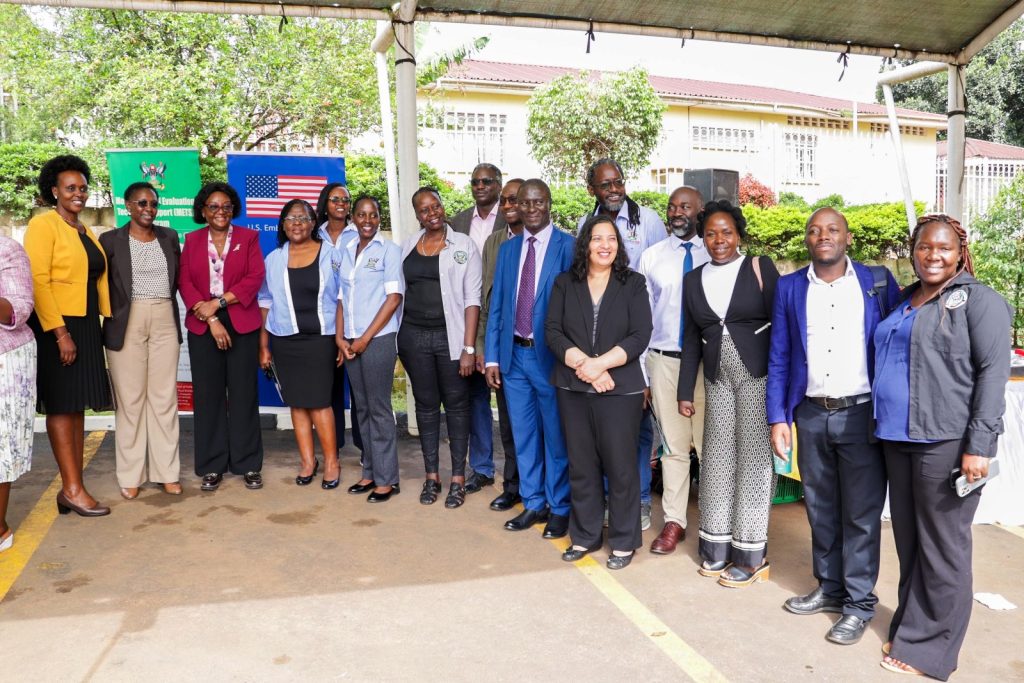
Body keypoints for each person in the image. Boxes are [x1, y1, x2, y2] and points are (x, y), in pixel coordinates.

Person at [873, 215, 1011, 680]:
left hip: (946, 441)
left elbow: (992, 377)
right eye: (924, 247)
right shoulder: (906, 299)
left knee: (944, 548)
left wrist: (979, 446)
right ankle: (913, 627)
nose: (933, 255)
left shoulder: (980, 301)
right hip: (897, 438)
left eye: (943, 248)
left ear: (960, 253)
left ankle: (932, 650)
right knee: (912, 544)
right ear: (913, 251)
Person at [767, 207, 901, 645]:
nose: (822, 236)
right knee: (820, 507)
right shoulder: (789, 287)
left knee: (860, 515)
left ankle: (860, 604)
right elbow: (780, 355)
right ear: (806, 240)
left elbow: (900, 347)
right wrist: (778, 416)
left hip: (861, 414)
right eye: (814, 230)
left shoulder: (875, 283)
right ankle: (830, 588)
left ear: (847, 237)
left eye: (832, 229)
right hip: (810, 412)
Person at [678, 199, 780, 587]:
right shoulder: (694, 279)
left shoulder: (758, 267)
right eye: (710, 233)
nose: (718, 239)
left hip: (759, 376)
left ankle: (752, 555)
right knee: (717, 461)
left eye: (726, 232)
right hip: (716, 379)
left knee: (753, 462)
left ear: (739, 234)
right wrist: (685, 390)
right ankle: (716, 547)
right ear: (702, 238)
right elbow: (690, 338)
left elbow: (782, 325)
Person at [546, 215, 653, 569]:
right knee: (582, 464)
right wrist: (586, 368)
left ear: (619, 245)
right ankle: (586, 535)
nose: (604, 245)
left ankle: (624, 541)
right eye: (597, 239)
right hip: (573, 387)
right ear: (585, 245)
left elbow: (640, 335)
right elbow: (554, 331)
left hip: (619, 389)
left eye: (611, 239)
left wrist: (601, 365)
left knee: (621, 466)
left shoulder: (633, 284)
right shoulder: (565, 283)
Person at [578, 158, 667, 530]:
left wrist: (644, 361)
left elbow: (659, 283)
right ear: (592, 190)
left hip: (637, 344)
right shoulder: (586, 224)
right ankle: (606, 501)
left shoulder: (647, 221)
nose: (614, 189)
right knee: (600, 433)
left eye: (618, 182)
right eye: (605, 185)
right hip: (596, 348)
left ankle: (641, 501)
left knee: (637, 432)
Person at [485, 179, 575, 539]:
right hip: (514, 359)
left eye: (539, 202)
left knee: (556, 438)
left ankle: (559, 507)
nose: (532, 208)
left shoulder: (568, 247)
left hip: (550, 359)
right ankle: (533, 502)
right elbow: (498, 308)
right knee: (523, 436)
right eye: (526, 203)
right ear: (517, 207)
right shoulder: (508, 251)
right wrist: (492, 357)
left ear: (549, 204)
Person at [24, 154, 113, 517]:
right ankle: (74, 489)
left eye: (83, 187)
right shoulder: (44, 226)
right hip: (59, 325)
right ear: (53, 191)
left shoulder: (84, 229)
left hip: (85, 322)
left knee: (76, 405)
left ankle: (70, 489)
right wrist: (60, 333)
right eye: (70, 188)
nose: (79, 194)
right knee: (62, 404)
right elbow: (38, 282)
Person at [179, 182, 266, 492]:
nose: (220, 211)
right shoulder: (190, 241)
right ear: (203, 210)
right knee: (208, 396)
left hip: (241, 321)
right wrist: (212, 316)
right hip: (204, 324)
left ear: (234, 210)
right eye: (213, 206)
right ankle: (212, 465)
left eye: (226, 206)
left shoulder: (248, 238)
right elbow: (185, 281)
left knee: (243, 394)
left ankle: (248, 464)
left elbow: (255, 278)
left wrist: (220, 302)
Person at [398, 187, 482, 509]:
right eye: (424, 209)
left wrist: (468, 348)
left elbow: (473, 299)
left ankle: (458, 479)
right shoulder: (409, 246)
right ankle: (431, 476)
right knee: (426, 406)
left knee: (458, 407)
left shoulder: (463, 245)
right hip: (414, 339)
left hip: (452, 339)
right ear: (417, 215)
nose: (431, 213)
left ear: (442, 207)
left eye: (435, 206)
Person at [637, 186, 710, 555]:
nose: (677, 212)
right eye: (672, 206)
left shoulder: (717, 252)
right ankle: (674, 522)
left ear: (700, 211)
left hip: (707, 365)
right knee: (674, 448)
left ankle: (715, 526)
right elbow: (641, 318)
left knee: (711, 447)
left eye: (685, 206)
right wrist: (642, 371)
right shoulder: (651, 257)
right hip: (663, 361)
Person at [100, 182, 183, 499]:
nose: (149, 209)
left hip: (163, 315)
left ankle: (167, 473)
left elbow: (175, 279)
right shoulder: (109, 240)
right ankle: (130, 475)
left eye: (153, 204)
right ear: (128, 206)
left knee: (164, 399)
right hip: (126, 320)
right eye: (142, 203)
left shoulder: (169, 236)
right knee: (131, 401)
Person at [258, 199, 341, 489]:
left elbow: (344, 298)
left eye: (303, 218)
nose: (297, 223)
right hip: (284, 339)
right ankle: (308, 461)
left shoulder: (332, 254)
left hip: (321, 338)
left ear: (313, 223)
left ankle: (332, 462)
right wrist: (264, 345)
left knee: (319, 402)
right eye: (291, 218)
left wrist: (342, 339)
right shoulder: (274, 259)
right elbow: (265, 301)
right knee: (297, 404)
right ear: (282, 224)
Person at [337, 196, 403, 502]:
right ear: (353, 217)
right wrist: (341, 338)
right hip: (350, 340)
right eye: (361, 215)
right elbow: (340, 298)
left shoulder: (390, 250)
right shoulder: (346, 250)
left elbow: (393, 299)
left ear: (379, 218)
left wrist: (365, 338)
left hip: (377, 340)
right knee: (361, 407)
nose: (367, 220)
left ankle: (387, 479)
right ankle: (369, 471)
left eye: (373, 215)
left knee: (378, 408)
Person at [452, 163, 508, 496]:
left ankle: (516, 475)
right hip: (469, 323)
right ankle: (483, 468)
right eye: (475, 182)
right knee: (475, 400)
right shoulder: (458, 222)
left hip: (503, 325)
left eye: (487, 181)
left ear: (499, 185)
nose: (480, 186)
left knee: (509, 404)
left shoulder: (513, 217)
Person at [476, 178, 523, 511]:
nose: (508, 206)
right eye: (504, 201)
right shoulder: (494, 243)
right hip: (504, 350)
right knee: (508, 424)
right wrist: (484, 350)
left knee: (543, 429)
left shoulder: (556, 243)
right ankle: (513, 486)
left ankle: (547, 492)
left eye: (515, 200)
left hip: (538, 351)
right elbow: (485, 299)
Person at [315, 182, 363, 457]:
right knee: (327, 387)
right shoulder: (314, 233)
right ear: (325, 203)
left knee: (358, 388)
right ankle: (332, 446)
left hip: (354, 320)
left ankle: (364, 445)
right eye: (335, 199)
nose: (341, 203)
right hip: (322, 321)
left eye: (346, 199)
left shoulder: (359, 234)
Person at [0, 236, 36, 551]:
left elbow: (20, 309)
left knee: (1, 447)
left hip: (5, 356)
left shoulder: (7, 250)